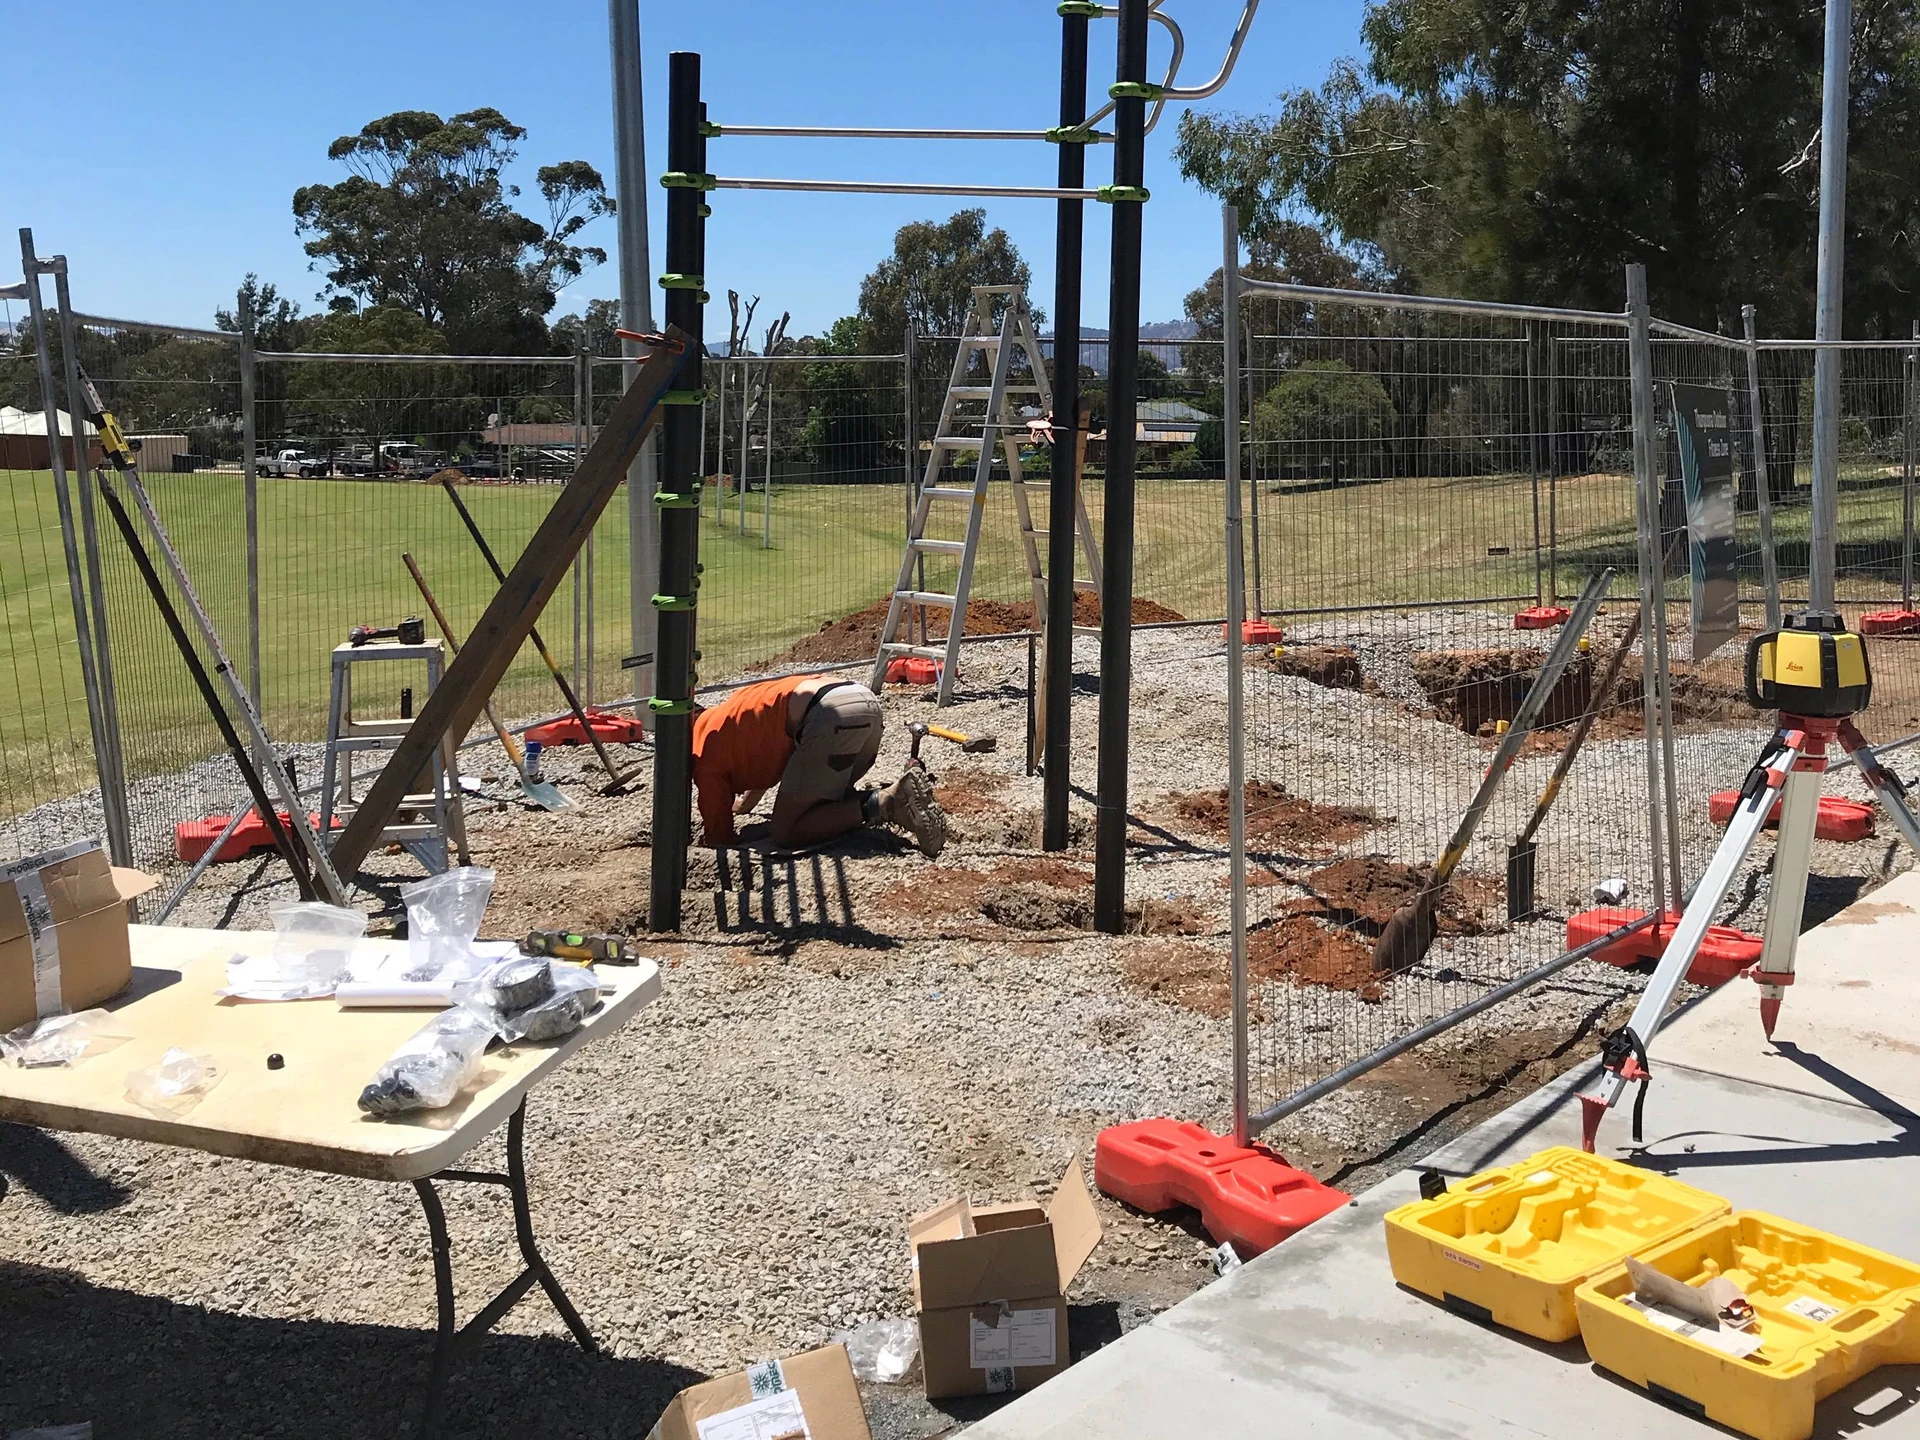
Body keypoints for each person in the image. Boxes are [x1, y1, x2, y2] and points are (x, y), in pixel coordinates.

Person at [693, 674, 947, 856]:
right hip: (861, 700)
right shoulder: (728, 715)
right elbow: (767, 754)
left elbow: (720, 840)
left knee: (787, 831)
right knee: (824, 804)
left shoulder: (702, 750)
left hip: (828, 716)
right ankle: (881, 802)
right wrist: (745, 806)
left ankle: (888, 802)